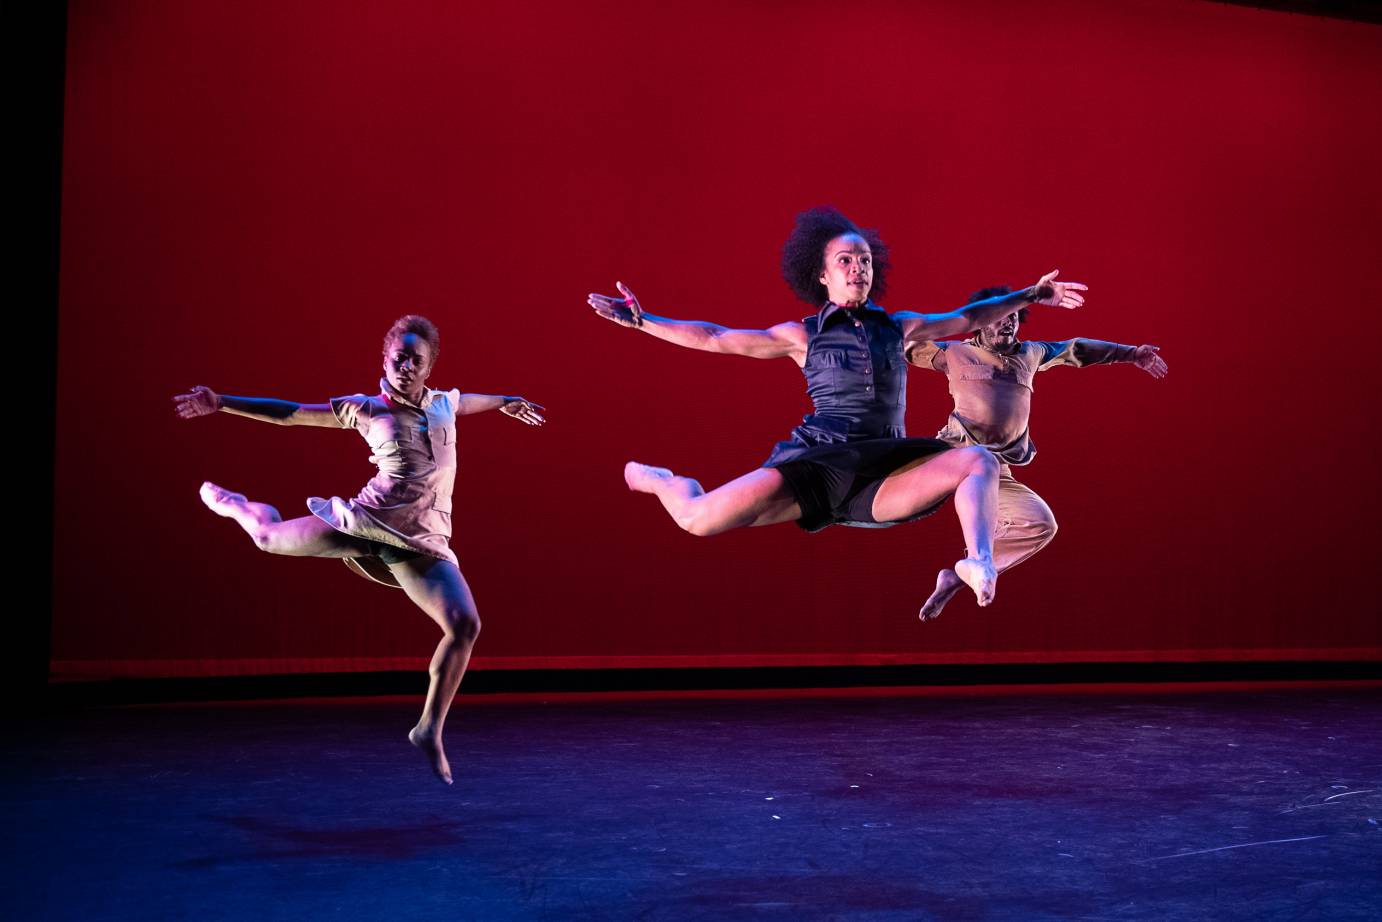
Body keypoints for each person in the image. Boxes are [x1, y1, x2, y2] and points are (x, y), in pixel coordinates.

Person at [588, 207, 1086, 612]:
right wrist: (642, 322)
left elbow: (969, 317)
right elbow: (716, 338)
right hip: (818, 464)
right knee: (696, 518)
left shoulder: (902, 327)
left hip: (884, 471)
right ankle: (659, 479)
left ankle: (978, 560)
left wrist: (1032, 295)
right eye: (846, 261)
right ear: (823, 275)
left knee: (979, 459)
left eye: (865, 261)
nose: (857, 269)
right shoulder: (801, 335)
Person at [172, 314, 546, 785]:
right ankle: (240, 508)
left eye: (417, 360)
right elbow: (290, 412)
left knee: (465, 625)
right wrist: (222, 403)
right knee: (267, 538)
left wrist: (507, 402)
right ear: (385, 361)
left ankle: (429, 728)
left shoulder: (443, 406)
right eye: (399, 358)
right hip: (364, 523)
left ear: (429, 368)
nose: (406, 366)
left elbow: (469, 400)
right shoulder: (366, 409)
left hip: (419, 540)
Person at [907, 286, 1168, 621]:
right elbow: (905, 344)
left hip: (998, 469)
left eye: (1014, 317)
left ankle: (960, 575)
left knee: (1041, 524)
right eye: (999, 317)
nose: (1008, 324)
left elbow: (1078, 349)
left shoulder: (1031, 354)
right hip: (956, 457)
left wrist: (1131, 354)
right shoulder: (953, 353)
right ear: (981, 321)